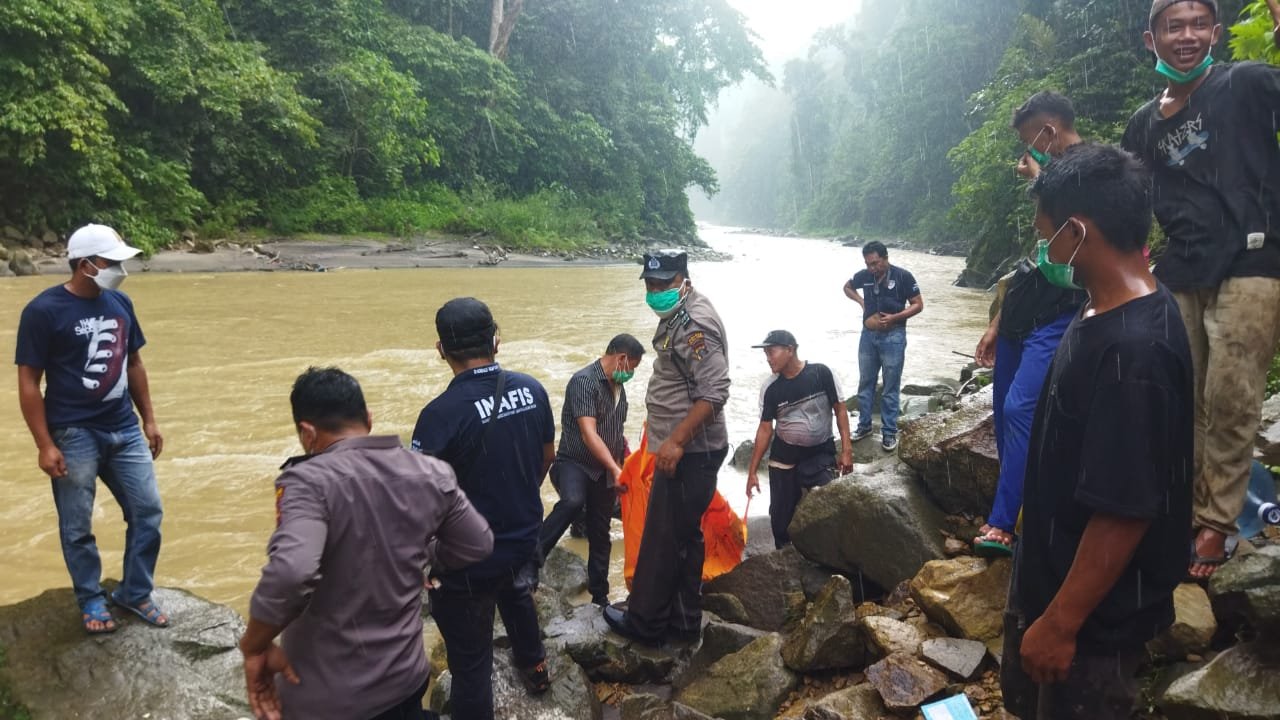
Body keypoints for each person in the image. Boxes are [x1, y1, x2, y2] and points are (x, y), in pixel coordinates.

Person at [1001, 143, 1192, 719]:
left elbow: (1125, 508)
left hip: (1092, 626)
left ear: (1078, 234)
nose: (1042, 248)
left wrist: (1060, 624)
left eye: (1047, 233)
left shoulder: (1135, 353)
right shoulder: (1098, 308)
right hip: (1053, 580)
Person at [1121, 0, 1280, 579]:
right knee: (1181, 397)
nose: (1185, 36)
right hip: (1181, 267)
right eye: (1173, 26)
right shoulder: (1144, 123)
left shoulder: (1246, 82)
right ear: (1151, 39)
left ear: (1214, 32)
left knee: (1232, 394)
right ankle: (1187, 509)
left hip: (1255, 259)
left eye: (1196, 25)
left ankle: (1217, 522)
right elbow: (1128, 200)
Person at [239, 368, 494, 720]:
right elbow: (478, 543)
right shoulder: (431, 472)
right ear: (369, 420)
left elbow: (292, 572)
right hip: (405, 680)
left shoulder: (308, 482)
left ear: (307, 432)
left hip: (327, 699)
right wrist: (423, 554)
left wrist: (253, 646)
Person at [15, 224, 167, 634]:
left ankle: (135, 592)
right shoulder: (43, 311)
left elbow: (133, 364)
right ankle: (91, 599)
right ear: (85, 265)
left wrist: (149, 418)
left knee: (148, 511)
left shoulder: (120, 303)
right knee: (77, 524)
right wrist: (44, 444)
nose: (120, 268)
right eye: (112, 261)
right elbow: (29, 382)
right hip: (72, 431)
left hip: (124, 427)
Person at [411, 297, 556, 719]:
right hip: (523, 537)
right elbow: (547, 456)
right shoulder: (532, 389)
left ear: (441, 349)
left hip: (468, 561)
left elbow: (419, 500)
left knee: (471, 665)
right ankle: (536, 666)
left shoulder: (440, 414)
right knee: (515, 592)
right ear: (496, 340)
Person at [971, 96, 1088, 556]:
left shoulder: (1089, 167)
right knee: (1004, 416)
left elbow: (1076, 231)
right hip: (1025, 306)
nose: (1030, 151)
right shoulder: (1053, 170)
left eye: (1031, 140)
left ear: (1050, 129)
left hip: (1061, 310)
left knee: (1022, 409)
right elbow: (1037, 257)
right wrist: (998, 321)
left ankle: (1002, 522)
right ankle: (1017, 506)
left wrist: (1040, 179)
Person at [603, 249, 730, 646]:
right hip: (686, 450)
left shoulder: (695, 325)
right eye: (651, 284)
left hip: (690, 452)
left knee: (663, 539)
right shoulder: (678, 314)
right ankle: (683, 621)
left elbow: (715, 391)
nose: (656, 291)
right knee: (682, 536)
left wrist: (675, 441)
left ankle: (646, 625)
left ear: (683, 280)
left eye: (664, 284)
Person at [539, 334, 645, 606]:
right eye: (631, 366)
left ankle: (600, 596)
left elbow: (616, 435)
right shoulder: (584, 382)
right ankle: (530, 559)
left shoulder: (619, 389)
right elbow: (589, 433)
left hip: (604, 471)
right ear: (621, 358)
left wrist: (621, 469)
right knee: (573, 501)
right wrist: (614, 467)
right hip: (574, 463)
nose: (631, 373)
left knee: (600, 531)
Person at [745, 330, 853, 549]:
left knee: (828, 503)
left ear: (790, 349)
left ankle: (828, 554)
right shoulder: (771, 388)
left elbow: (840, 410)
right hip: (784, 457)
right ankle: (784, 557)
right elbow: (765, 429)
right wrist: (752, 471)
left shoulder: (822, 373)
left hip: (819, 452)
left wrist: (846, 451)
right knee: (779, 516)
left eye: (771, 352)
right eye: (765, 353)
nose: (768, 358)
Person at [843, 241, 923, 452]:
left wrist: (896, 316)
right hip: (868, 336)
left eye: (876, 263)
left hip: (894, 336)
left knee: (890, 386)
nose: (872, 268)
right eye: (868, 264)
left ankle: (889, 432)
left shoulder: (903, 276)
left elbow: (918, 304)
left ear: (886, 258)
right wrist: (862, 302)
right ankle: (864, 426)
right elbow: (847, 287)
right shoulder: (864, 276)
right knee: (866, 382)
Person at [1013, 91, 1084, 180]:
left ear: (1049, 132)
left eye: (1028, 141)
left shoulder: (1088, 172)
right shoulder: (1092, 162)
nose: (1029, 151)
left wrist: (1037, 177)